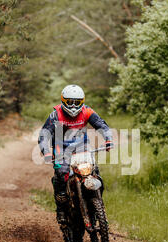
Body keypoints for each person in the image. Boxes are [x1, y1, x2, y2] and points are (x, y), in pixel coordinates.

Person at [38, 84, 113, 225]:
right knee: (61, 173)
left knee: (95, 173)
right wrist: (46, 152)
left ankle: (97, 206)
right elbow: (44, 135)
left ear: (82, 102)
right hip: (61, 149)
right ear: (64, 101)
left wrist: (108, 139)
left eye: (77, 102)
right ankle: (61, 209)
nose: (73, 106)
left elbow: (102, 125)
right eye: (70, 102)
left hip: (82, 148)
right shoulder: (56, 114)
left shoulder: (87, 112)